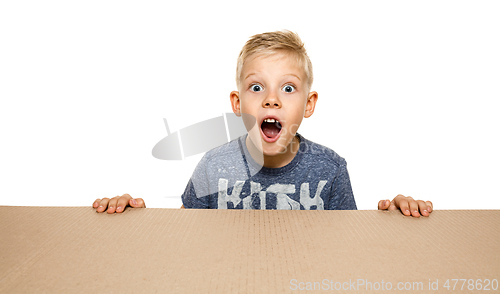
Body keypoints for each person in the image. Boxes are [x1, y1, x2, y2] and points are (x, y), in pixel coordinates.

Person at [93, 30, 433, 217]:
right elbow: (182, 241)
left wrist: (397, 220)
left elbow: (351, 248)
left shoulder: (330, 170)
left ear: (309, 105)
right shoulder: (214, 166)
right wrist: (130, 219)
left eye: (288, 88)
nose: (272, 99)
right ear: (238, 105)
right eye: (257, 87)